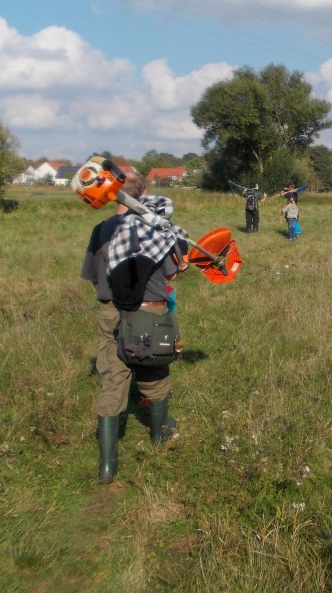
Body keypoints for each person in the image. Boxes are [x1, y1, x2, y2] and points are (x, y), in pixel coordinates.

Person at [80, 169, 185, 485]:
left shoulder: (100, 230)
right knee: (155, 373)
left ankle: (107, 467)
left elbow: (95, 278)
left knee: (112, 381)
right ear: (144, 193)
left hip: (111, 313)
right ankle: (158, 436)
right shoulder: (155, 229)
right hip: (150, 314)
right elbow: (172, 274)